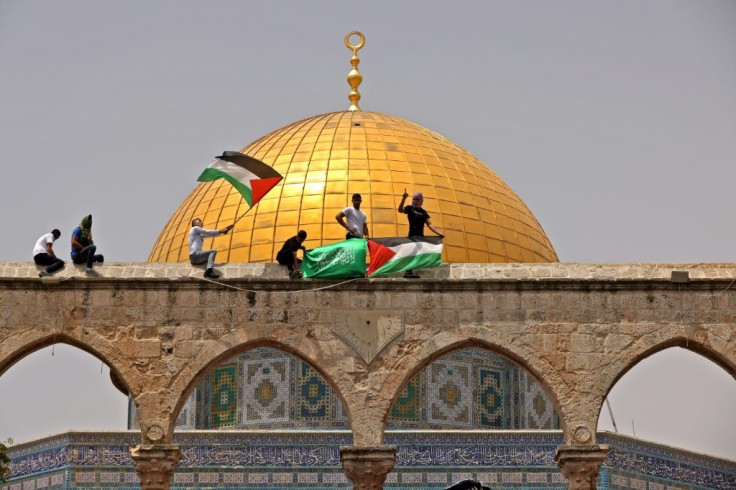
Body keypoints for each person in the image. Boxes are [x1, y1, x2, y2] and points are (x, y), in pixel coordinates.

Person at [398, 189, 444, 278]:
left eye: (417, 199)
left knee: (419, 253)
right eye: (414, 199)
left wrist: (439, 233)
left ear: (421, 201)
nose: (415, 201)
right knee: (412, 252)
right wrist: (403, 199)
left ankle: (413, 270)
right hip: (412, 235)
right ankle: (408, 271)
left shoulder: (423, 212)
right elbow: (400, 210)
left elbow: (429, 224)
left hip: (420, 236)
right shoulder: (410, 208)